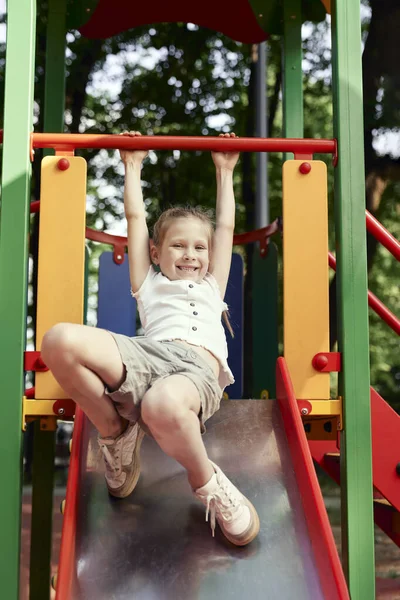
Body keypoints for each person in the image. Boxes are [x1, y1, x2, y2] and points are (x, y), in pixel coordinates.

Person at [41, 131, 260, 547]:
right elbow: (136, 221)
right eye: (178, 246)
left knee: (162, 404)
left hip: (192, 375)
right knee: (58, 341)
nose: (190, 254)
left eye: (199, 247)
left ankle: (209, 483)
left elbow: (226, 224)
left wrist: (225, 169)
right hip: (147, 355)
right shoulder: (149, 282)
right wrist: (132, 165)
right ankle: (115, 430)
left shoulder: (213, 283)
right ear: (157, 253)